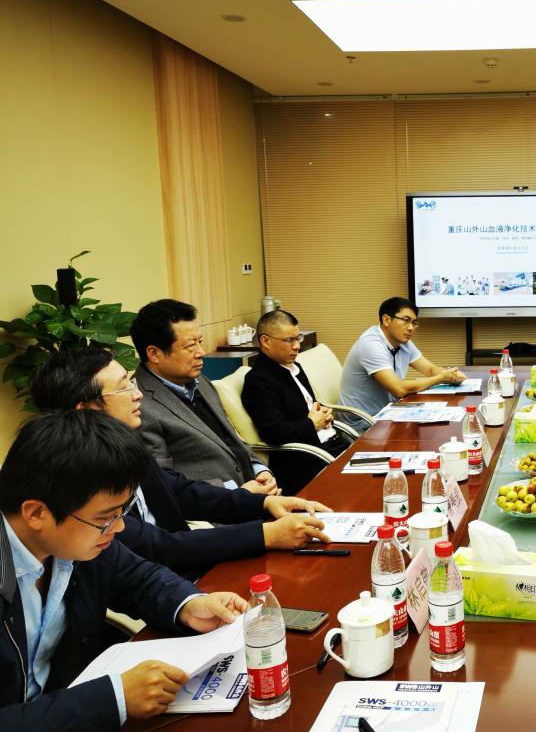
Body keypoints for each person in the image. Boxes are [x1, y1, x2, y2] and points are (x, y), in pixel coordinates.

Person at [0, 410, 247, 729]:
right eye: (106, 518)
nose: (118, 528)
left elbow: (137, 578)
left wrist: (191, 605)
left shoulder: (74, 542)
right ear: (36, 513)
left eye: (121, 513)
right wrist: (112, 698)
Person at [30, 347, 331, 580]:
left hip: (180, 572)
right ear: (86, 409)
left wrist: (263, 505)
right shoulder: (76, 475)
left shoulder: (123, 442)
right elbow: (157, 546)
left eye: (132, 382)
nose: (138, 395)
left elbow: (179, 491)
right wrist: (266, 534)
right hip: (158, 582)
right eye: (124, 388)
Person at [130, 299, 280, 494]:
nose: (201, 352)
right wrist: (236, 492)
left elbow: (231, 440)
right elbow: (162, 483)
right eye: (190, 346)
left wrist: (260, 469)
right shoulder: (137, 405)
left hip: (254, 491)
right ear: (154, 354)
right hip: (217, 507)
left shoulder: (200, 382)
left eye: (199, 342)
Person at [241, 310, 351, 493]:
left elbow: (305, 406)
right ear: (266, 341)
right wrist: (312, 423)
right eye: (289, 340)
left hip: (332, 444)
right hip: (308, 459)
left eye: (298, 338)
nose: (297, 346)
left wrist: (323, 414)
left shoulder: (293, 367)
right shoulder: (259, 380)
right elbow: (274, 433)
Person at [340, 297, 466, 429]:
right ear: (386, 320)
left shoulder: (403, 342)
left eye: (414, 323)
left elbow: (429, 369)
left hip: (389, 413)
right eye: (406, 321)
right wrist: (440, 378)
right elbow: (399, 389)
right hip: (363, 423)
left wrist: (451, 375)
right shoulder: (371, 345)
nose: (411, 328)